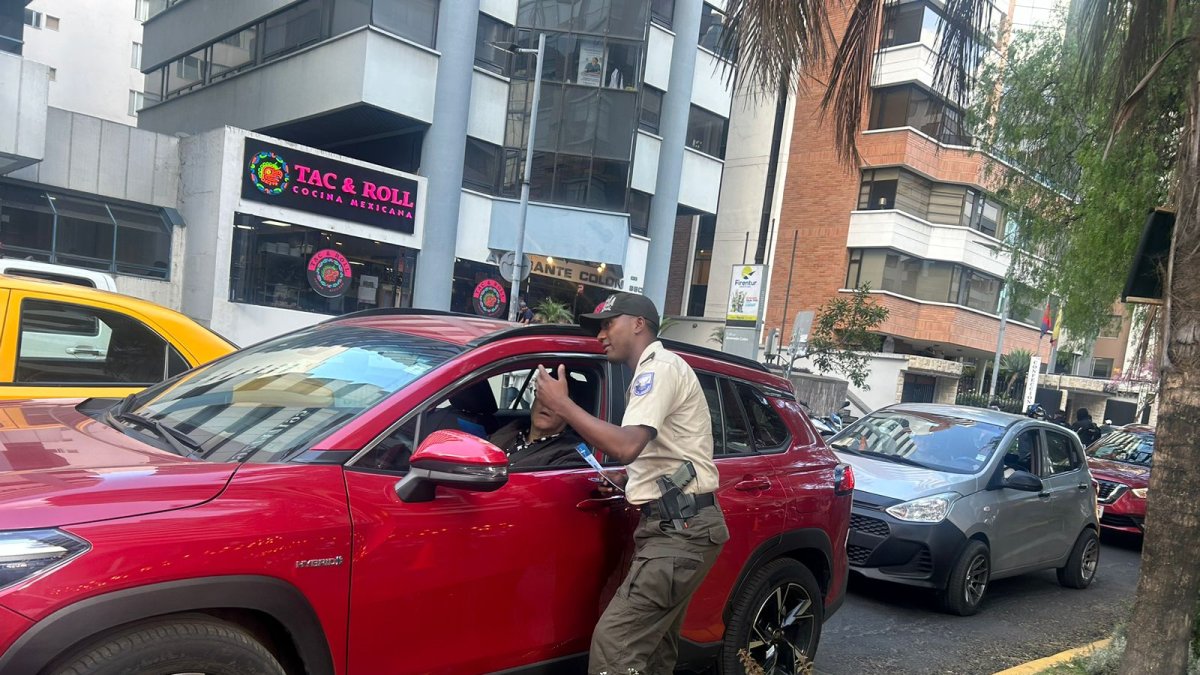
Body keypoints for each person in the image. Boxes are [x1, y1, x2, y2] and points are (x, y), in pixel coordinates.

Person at [534, 292, 727, 675]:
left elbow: (626, 445)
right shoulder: (656, 370)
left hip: (679, 533)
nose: (602, 334)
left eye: (609, 323)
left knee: (615, 646)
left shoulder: (658, 368)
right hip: (679, 528)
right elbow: (663, 451)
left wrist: (563, 405)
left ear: (638, 323)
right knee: (654, 654)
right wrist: (628, 478)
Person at [489, 391, 584, 468]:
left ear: (571, 412)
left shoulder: (571, 454)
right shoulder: (512, 428)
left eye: (556, 402)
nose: (546, 405)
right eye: (542, 397)